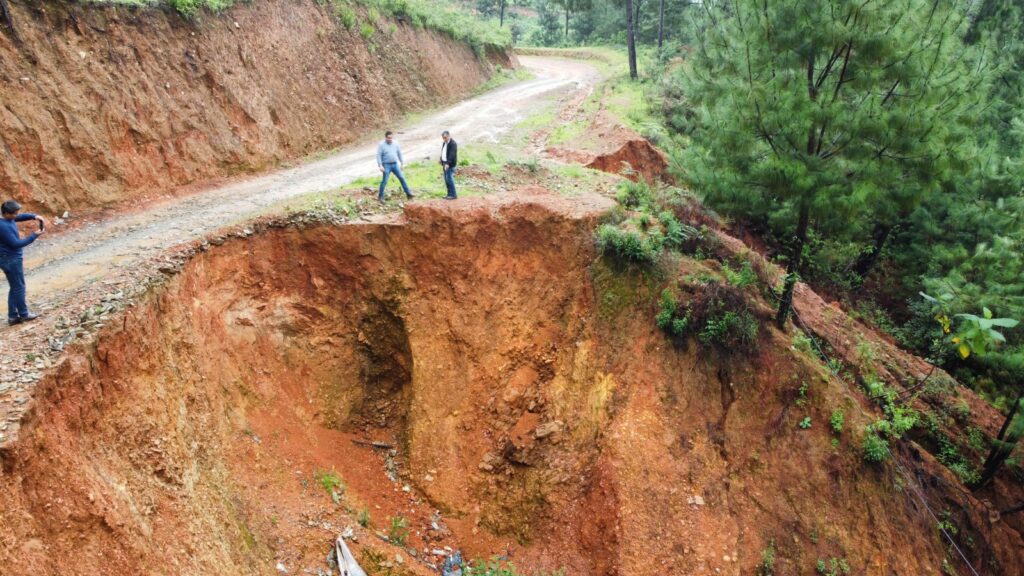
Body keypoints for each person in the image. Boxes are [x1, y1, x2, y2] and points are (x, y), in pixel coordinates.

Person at [0, 200, 45, 326]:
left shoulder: (6, 219)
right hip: (10, 259)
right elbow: (16, 244)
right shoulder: (2, 227)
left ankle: (13, 317)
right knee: (19, 287)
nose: (17, 215)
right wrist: (34, 236)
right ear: (7, 213)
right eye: (14, 213)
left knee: (15, 287)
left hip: (8, 258)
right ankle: (24, 314)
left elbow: (18, 217)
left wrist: (33, 216)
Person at [376, 130, 414, 203]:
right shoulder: (381, 145)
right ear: (385, 138)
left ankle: (408, 194)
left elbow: (399, 153)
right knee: (385, 181)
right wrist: (380, 165)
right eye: (389, 138)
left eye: (391, 138)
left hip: (395, 164)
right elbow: (378, 155)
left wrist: (402, 163)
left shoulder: (395, 143)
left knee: (402, 178)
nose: (390, 139)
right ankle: (380, 197)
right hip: (386, 165)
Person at [439, 130, 458, 200]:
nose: (444, 139)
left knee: (449, 179)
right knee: (446, 179)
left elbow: (452, 155)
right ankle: (449, 194)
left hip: (450, 165)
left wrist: (447, 163)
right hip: (445, 164)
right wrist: (441, 159)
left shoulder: (453, 144)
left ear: (449, 136)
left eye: (445, 137)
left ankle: (453, 195)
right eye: (443, 138)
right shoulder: (444, 143)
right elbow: (443, 151)